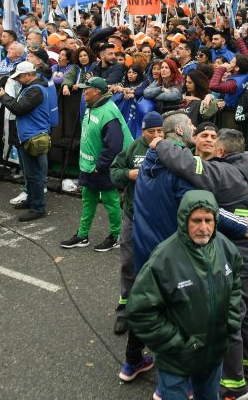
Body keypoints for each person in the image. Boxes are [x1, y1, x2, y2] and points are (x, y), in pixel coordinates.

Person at [148, 127, 248, 398]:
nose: (209, 142)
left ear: (222, 151)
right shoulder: (247, 167)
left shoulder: (222, 172)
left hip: (236, 257)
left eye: (215, 140)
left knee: (228, 321)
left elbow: (187, 164)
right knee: (247, 313)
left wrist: (161, 144)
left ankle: (236, 384)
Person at [126, 191, 243, 400]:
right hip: (176, 361)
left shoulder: (225, 247)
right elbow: (139, 311)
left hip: (213, 355)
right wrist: (177, 343)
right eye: (196, 220)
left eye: (209, 220)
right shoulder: (164, 258)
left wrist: (231, 321)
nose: (203, 227)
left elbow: (235, 283)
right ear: (183, 220)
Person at [110, 111, 163, 341]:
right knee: (129, 263)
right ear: (143, 131)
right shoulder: (133, 148)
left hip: (158, 219)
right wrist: (127, 173)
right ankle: (125, 308)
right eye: (151, 131)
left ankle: (155, 310)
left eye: (160, 130)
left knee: (158, 265)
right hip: (133, 215)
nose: (156, 135)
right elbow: (113, 171)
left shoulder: (169, 149)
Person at [61, 76, 130, 250]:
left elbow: (114, 145)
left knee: (110, 201)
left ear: (97, 92)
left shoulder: (108, 113)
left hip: (102, 167)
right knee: (88, 199)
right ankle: (82, 236)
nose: (84, 92)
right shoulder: (93, 105)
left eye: (87, 89)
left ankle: (116, 236)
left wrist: (101, 166)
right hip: (89, 166)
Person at [0, 62, 55, 223]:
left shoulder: (35, 90)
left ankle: (38, 208)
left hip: (33, 137)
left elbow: (19, 108)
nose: (18, 80)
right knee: (30, 174)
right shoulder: (32, 87)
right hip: (29, 135)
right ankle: (32, 201)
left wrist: (3, 97)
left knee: (34, 175)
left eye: (20, 77)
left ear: (29, 74)